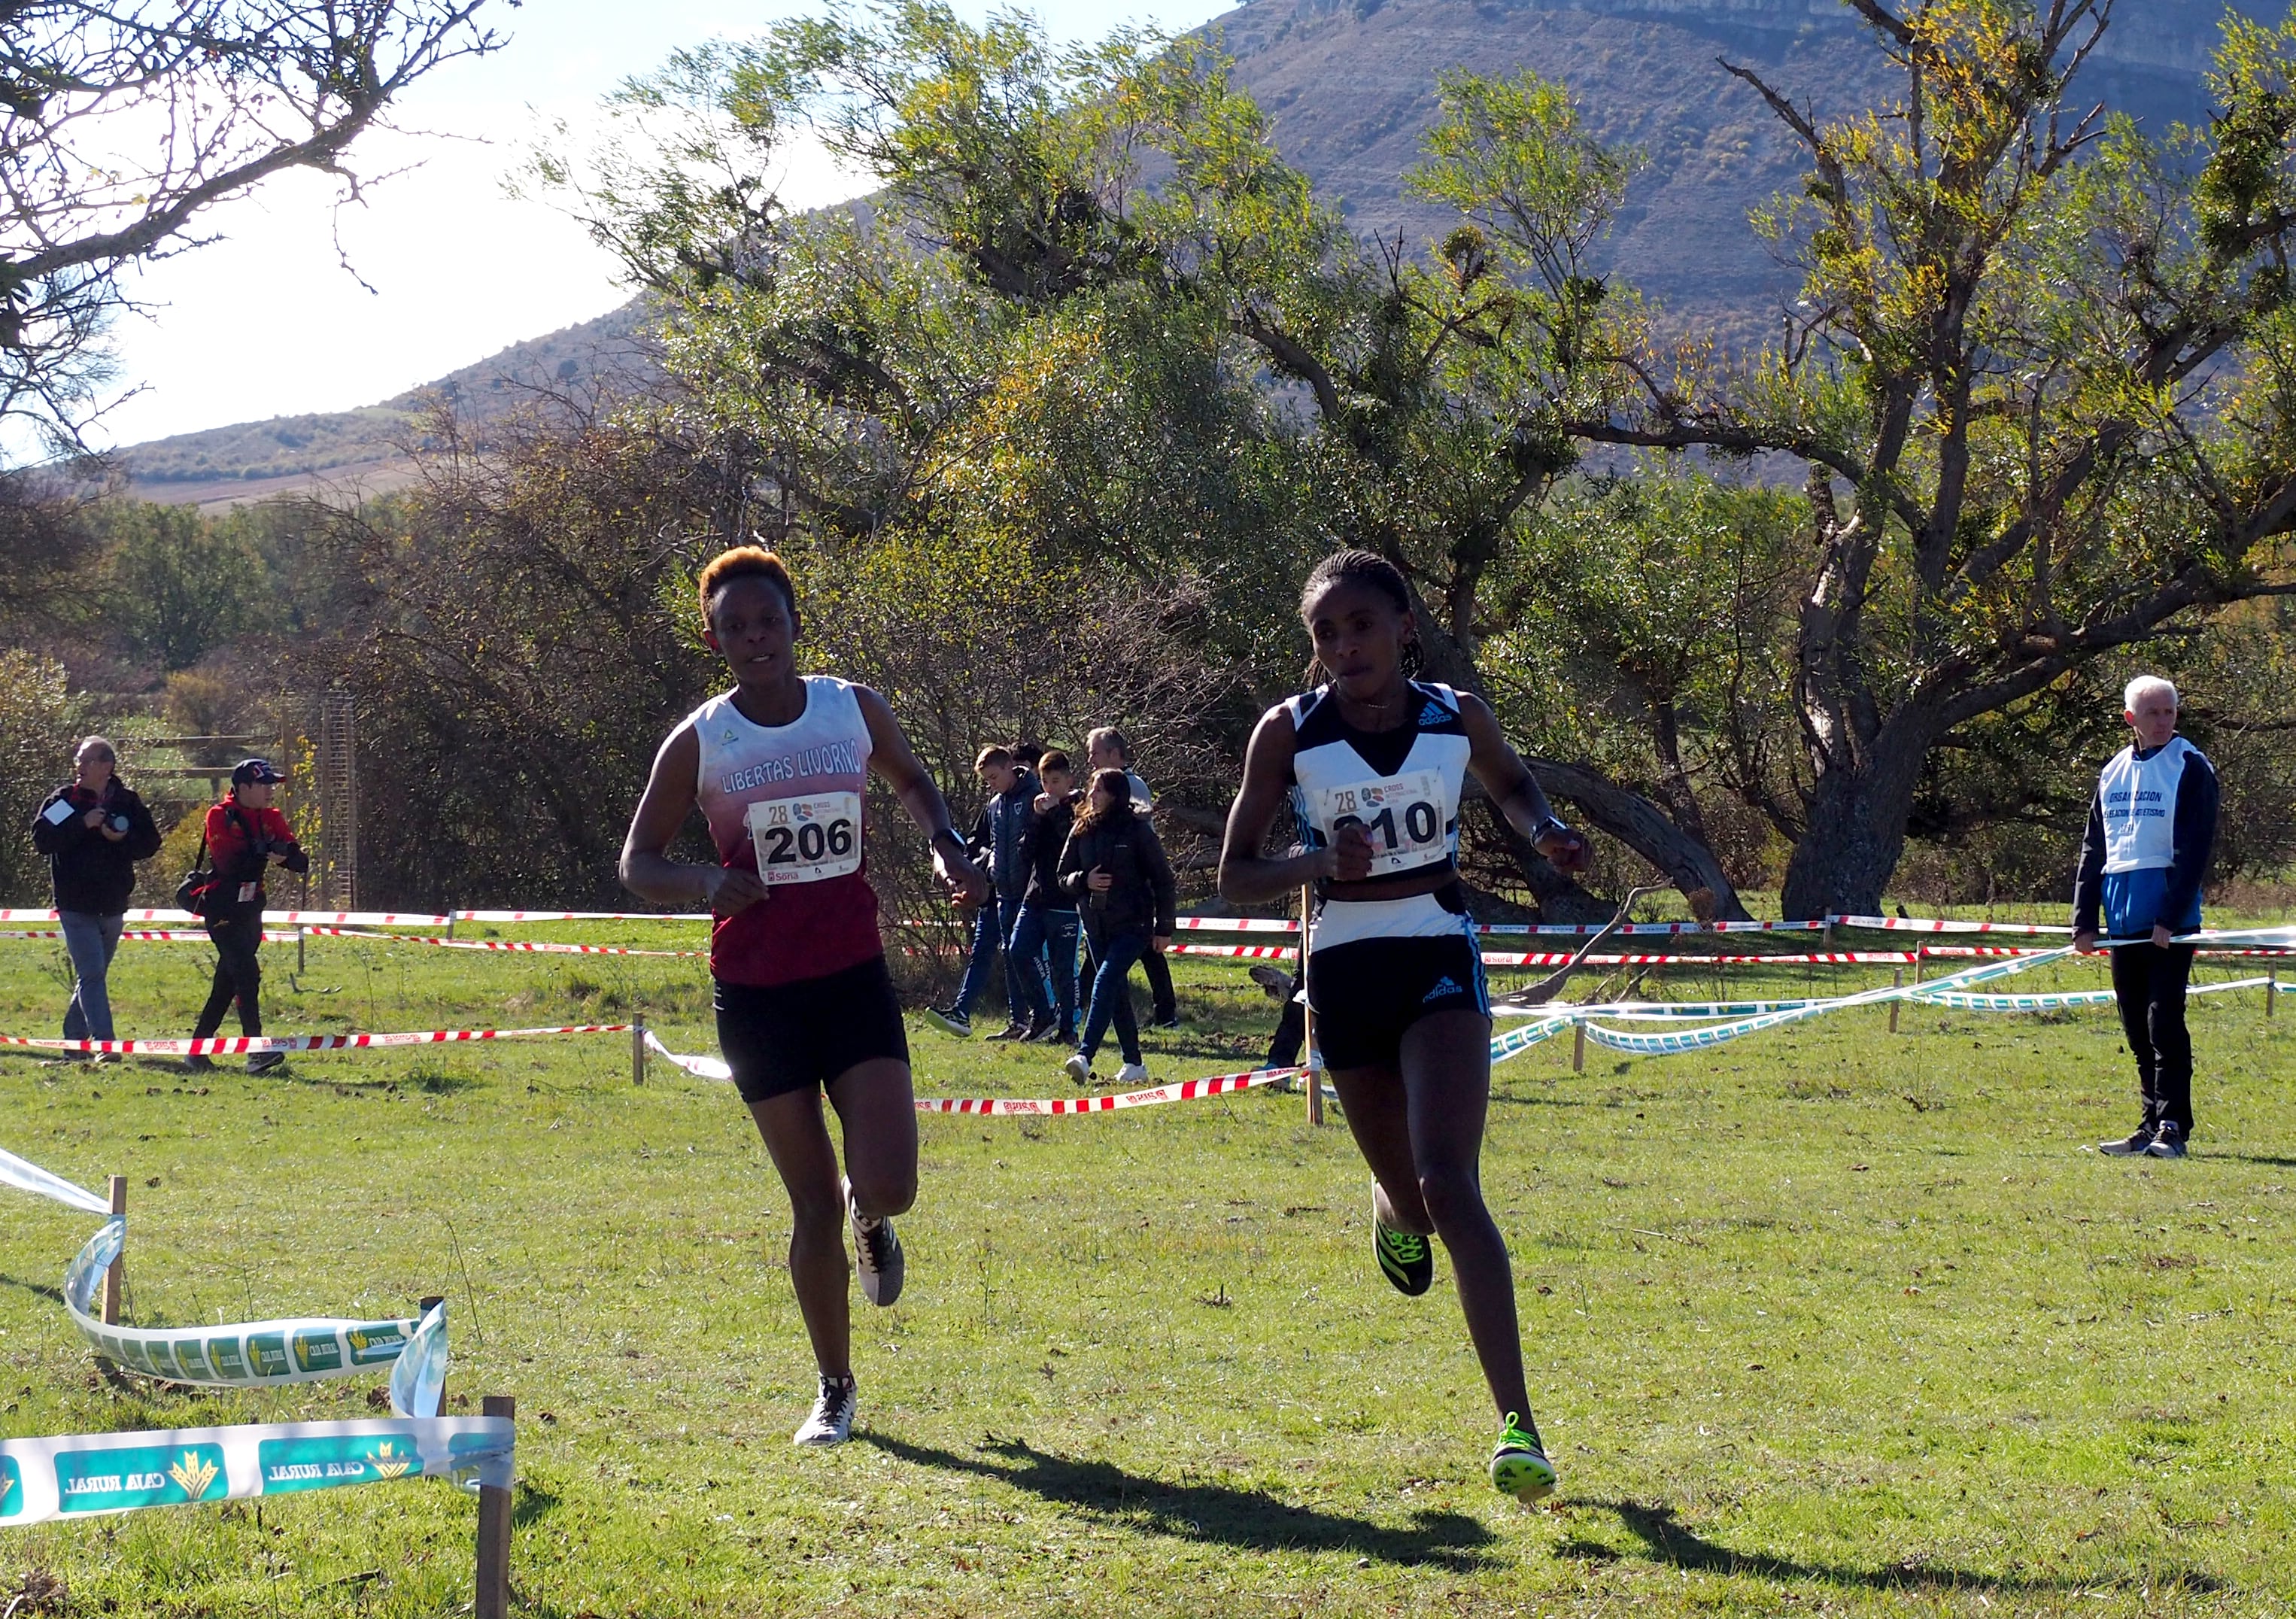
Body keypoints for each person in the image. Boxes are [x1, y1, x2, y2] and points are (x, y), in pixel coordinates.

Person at [1216, 548, 1592, 1505]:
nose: (1345, 647)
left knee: (1450, 1184)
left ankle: (1520, 1424)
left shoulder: (1453, 714)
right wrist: (1315, 865)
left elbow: (1510, 785)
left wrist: (1541, 828)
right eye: (1326, 634)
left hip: (1437, 951)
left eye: (1362, 626)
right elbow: (1232, 874)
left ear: (1404, 627)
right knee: (1414, 1197)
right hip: (1343, 973)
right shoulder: (1286, 733)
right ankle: (1388, 1210)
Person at [620, 545, 986, 1448]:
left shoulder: (850, 707)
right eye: (735, 626)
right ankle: (834, 1386)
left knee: (889, 1184)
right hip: (757, 994)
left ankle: (877, 1221)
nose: (755, 638)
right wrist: (707, 882)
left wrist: (943, 843)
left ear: (793, 624)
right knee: (810, 1201)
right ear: (714, 638)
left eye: (768, 621)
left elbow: (911, 780)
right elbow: (638, 861)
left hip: (851, 975)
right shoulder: (701, 739)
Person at [2073, 675, 2219, 1161]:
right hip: (2122, 913)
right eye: (2153, 713)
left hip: (2167, 916)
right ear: (2130, 718)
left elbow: (2195, 846)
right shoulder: (2113, 770)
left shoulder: (2189, 766)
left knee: (2164, 1021)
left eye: (2170, 712)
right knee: (2136, 1025)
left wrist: (2171, 917)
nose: (2163, 721)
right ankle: (2149, 1124)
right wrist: (2084, 921)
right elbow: (2096, 846)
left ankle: (2175, 1127)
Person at [30, 737, 161, 1060]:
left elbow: (151, 842)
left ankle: (74, 1042)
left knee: (94, 976)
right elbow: (42, 839)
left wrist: (121, 838)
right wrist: (81, 824)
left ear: (106, 767)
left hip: (114, 902)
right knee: (91, 973)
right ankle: (105, 1044)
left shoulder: (127, 802)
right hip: (75, 904)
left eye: (86, 760)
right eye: (78, 759)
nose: (79, 766)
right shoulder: (66, 800)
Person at [184, 759, 308, 1076]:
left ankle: (196, 1050)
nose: (270, 791)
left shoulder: (272, 817)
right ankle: (256, 1051)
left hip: (252, 909)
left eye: (272, 784)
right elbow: (229, 861)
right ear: (243, 788)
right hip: (223, 908)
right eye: (264, 784)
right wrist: (266, 851)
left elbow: (300, 861)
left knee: (228, 982)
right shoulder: (220, 816)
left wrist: (283, 854)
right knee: (248, 974)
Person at [1058, 767, 1175, 1088]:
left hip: (1133, 925)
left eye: (1098, 790)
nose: (1091, 795)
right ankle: (1134, 1063)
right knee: (1117, 993)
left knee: (1105, 979)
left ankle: (1084, 1055)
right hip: (1096, 925)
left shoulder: (1138, 832)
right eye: (1091, 789)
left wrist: (1164, 927)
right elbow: (1063, 876)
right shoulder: (1080, 830)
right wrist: (1084, 880)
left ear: (1115, 795)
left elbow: (1164, 880)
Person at [927, 746, 1040, 1040]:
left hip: (1028, 893)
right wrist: (987, 865)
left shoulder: (1033, 798)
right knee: (995, 954)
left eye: (993, 777)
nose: (991, 784)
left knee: (1021, 956)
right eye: (986, 780)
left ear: (1009, 767)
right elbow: (980, 842)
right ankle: (1003, 1018)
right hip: (999, 891)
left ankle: (1045, 1017)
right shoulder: (995, 805)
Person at [1086, 725, 1180, 1029]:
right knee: (1137, 950)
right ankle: (1164, 1011)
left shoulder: (1130, 785)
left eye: (1096, 754)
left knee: (1146, 949)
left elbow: (1141, 839)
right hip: (1113, 888)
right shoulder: (1103, 786)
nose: (1091, 761)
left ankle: (1164, 1011)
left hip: (1137, 882)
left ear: (1114, 753)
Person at [1009, 749, 1083, 1044]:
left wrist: (1053, 813)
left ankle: (1068, 1028)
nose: (1050, 788)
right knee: (1018, 950)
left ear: (1068, 780)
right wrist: (1037, 819)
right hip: (1035, 895)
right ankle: (1042, 1014)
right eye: (1045, 782)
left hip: (1065, 901)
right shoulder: (1036, 808)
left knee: (1063, 967)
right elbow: (1024, 852)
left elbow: (1072, 843)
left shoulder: (1079, 807)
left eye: (1055, 781)